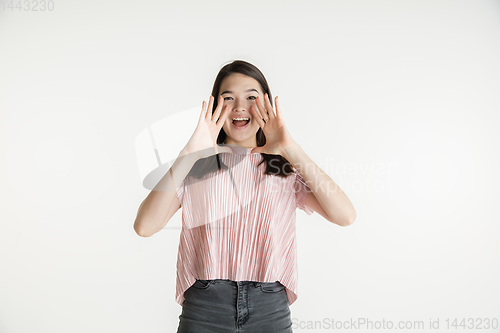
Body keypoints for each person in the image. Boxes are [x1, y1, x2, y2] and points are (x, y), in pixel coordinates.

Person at [134, 60, 357, 333]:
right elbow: (144, 226)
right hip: (205, 306)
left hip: (269, 307)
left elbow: (345, 215)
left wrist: (290, 148)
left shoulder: (283, 168)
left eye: (251, 97)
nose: (240, 107)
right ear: (215, 107)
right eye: (228, 98)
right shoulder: (195, 168)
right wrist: (189, 153)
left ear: (267, 105)